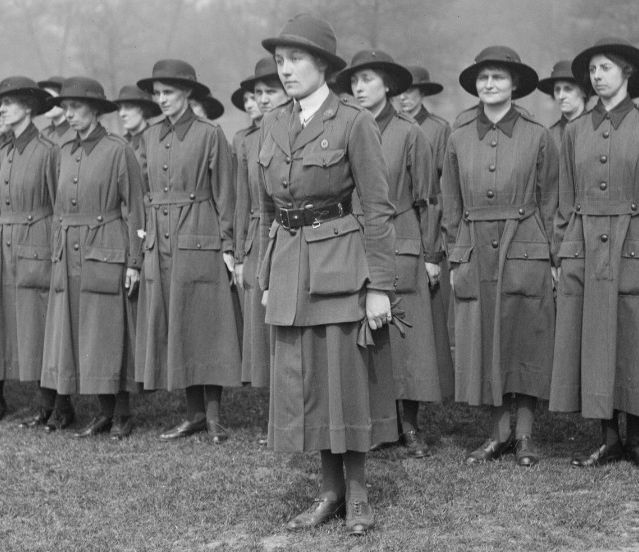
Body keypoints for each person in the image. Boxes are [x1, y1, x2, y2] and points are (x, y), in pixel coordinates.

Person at [258, 14, 397, 536]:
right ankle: (328, 493)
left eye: (295, 60)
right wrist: (265, 273)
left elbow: (379, 208)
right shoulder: (272, 123)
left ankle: (358, 496)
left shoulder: (353, 122)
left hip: (340, 264)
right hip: (290, 265)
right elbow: (263, 210)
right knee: (308, 381)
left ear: (323, 66)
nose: (285, 70)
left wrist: (380, 285)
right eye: (279, 61)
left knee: (344, 378)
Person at [550, 38, 639, 470]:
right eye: (594, 70)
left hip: (634, 242)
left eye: (606, 68)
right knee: (593, 337)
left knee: (635, 338)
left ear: (627, 74)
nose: (597, 76)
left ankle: (637, 439)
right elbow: (565, 198)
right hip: (583, 245)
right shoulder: (574, 130)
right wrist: (561, 253)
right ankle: (606, 438)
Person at [442, 46, 558, 465]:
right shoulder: (457, 137)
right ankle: (499, 433)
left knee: (525, 337)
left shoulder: (537, 134)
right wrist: (457, 258)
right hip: (475, 247)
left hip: (525, 245)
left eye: (498, 78)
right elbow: (450, 205)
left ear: (515, 84)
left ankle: (525, 435)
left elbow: (551, 200)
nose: (489, 85)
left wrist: (550, 255)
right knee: (484, 340)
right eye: (483, 78)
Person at [336, 50, 443, 459]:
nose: (360, 88)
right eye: (355, 81)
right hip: (356, 239)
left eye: (369, 80)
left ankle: (410, 425)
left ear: (388, 86)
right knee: (369, 334)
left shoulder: (410, 132)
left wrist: (431, 253)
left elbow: (428, 199)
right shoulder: (347, 127)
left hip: (403, 238)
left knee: (406, 336)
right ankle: (379, 423)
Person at [135, 60, 241, 442]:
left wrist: (228, 245)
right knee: (175, 322)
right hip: (160, 240)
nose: (162, 100)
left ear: (188, 94)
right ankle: (193, 414)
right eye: (158, 93)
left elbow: (225, 195)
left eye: (169, 93)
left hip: (200, 233)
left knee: (205, 324)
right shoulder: (148, 136)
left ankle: (213, 416)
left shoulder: (209, 134)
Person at [39, 77, 144, 439]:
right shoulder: (64, 150)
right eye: (65, 108)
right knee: (81, 332)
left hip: (106, 246)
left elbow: (136, 209)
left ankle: (123, 413)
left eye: (77, 107)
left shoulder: (119, 150)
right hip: (68, 251)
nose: (68, 114)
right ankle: (102, 411)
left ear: (96, 110)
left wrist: (134, 261)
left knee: (107, 330)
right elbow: (56, 208)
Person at [0, 77, 58, 426]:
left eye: (9, 102)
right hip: (10, 247)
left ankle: (56, 404)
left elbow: (59, 208)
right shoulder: (7, 151)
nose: (1, 109)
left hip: (38, 244)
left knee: (41, 325)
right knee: (19, 328)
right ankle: (47, 404)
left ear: (28, 106)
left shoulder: (47, 150)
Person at [397, 64, 455, 400]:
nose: (404, 97)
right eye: (400, 91)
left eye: (412, 91)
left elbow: (439, 189)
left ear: (422, 94)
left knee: (422, 325)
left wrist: (435, 243)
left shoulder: (437, 129)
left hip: (425, 227)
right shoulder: (374, 126)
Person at [234, 57, 287, 392]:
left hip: (292, 233)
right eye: (259, 92)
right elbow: (243, 200)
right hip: (259, 237)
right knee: (263, 325)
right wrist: (239, 254)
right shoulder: (249, 141)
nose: (264, 98)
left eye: (272, 90)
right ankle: (275, 410)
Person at [536, 60, 591, 146]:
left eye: (568, 89)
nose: (561, 96)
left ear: (584, 91)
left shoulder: (598, 128)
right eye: (557, 90)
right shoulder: (549, 136)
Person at [113, 85, 161, 159]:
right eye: (120, 108)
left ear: (143, 109)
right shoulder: (118, 144)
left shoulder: (156, 142)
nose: (121, 114)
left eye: (128, 107)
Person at [37, 76, 76, 146]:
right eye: (44, 99)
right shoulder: (42, 133)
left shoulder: (77, 133)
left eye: (51, 99)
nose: (46, 103)